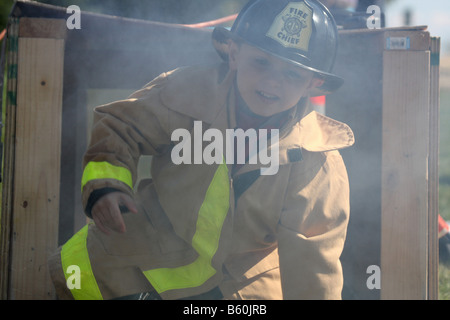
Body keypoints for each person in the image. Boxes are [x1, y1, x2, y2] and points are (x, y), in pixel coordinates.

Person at [49, 0, 354, 300]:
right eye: (261, 62)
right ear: (233, 53)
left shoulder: (316, 163)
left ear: (313, 84)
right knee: (78, 278)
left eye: (293, 74)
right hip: (141, 253)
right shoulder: (186, 92)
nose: (273, 81)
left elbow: (313, 268)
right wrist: (106, 186)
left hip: (241, 280)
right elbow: (120, 126)